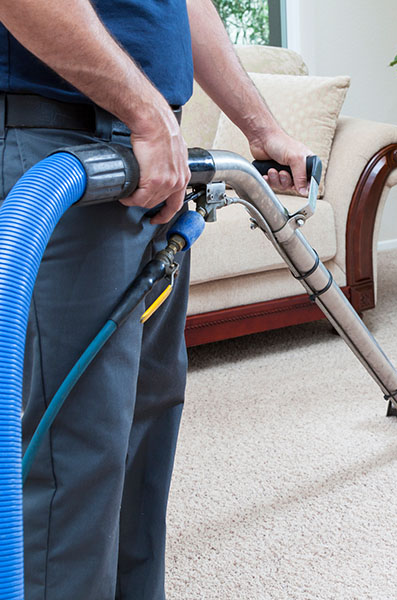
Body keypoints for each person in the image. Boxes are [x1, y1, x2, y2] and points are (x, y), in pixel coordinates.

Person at [0, 1, 311, 598]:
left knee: (147, 416)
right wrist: (146, 113)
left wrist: (259, 126)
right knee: (79, 449)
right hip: (64, 145)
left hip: (149, 156)